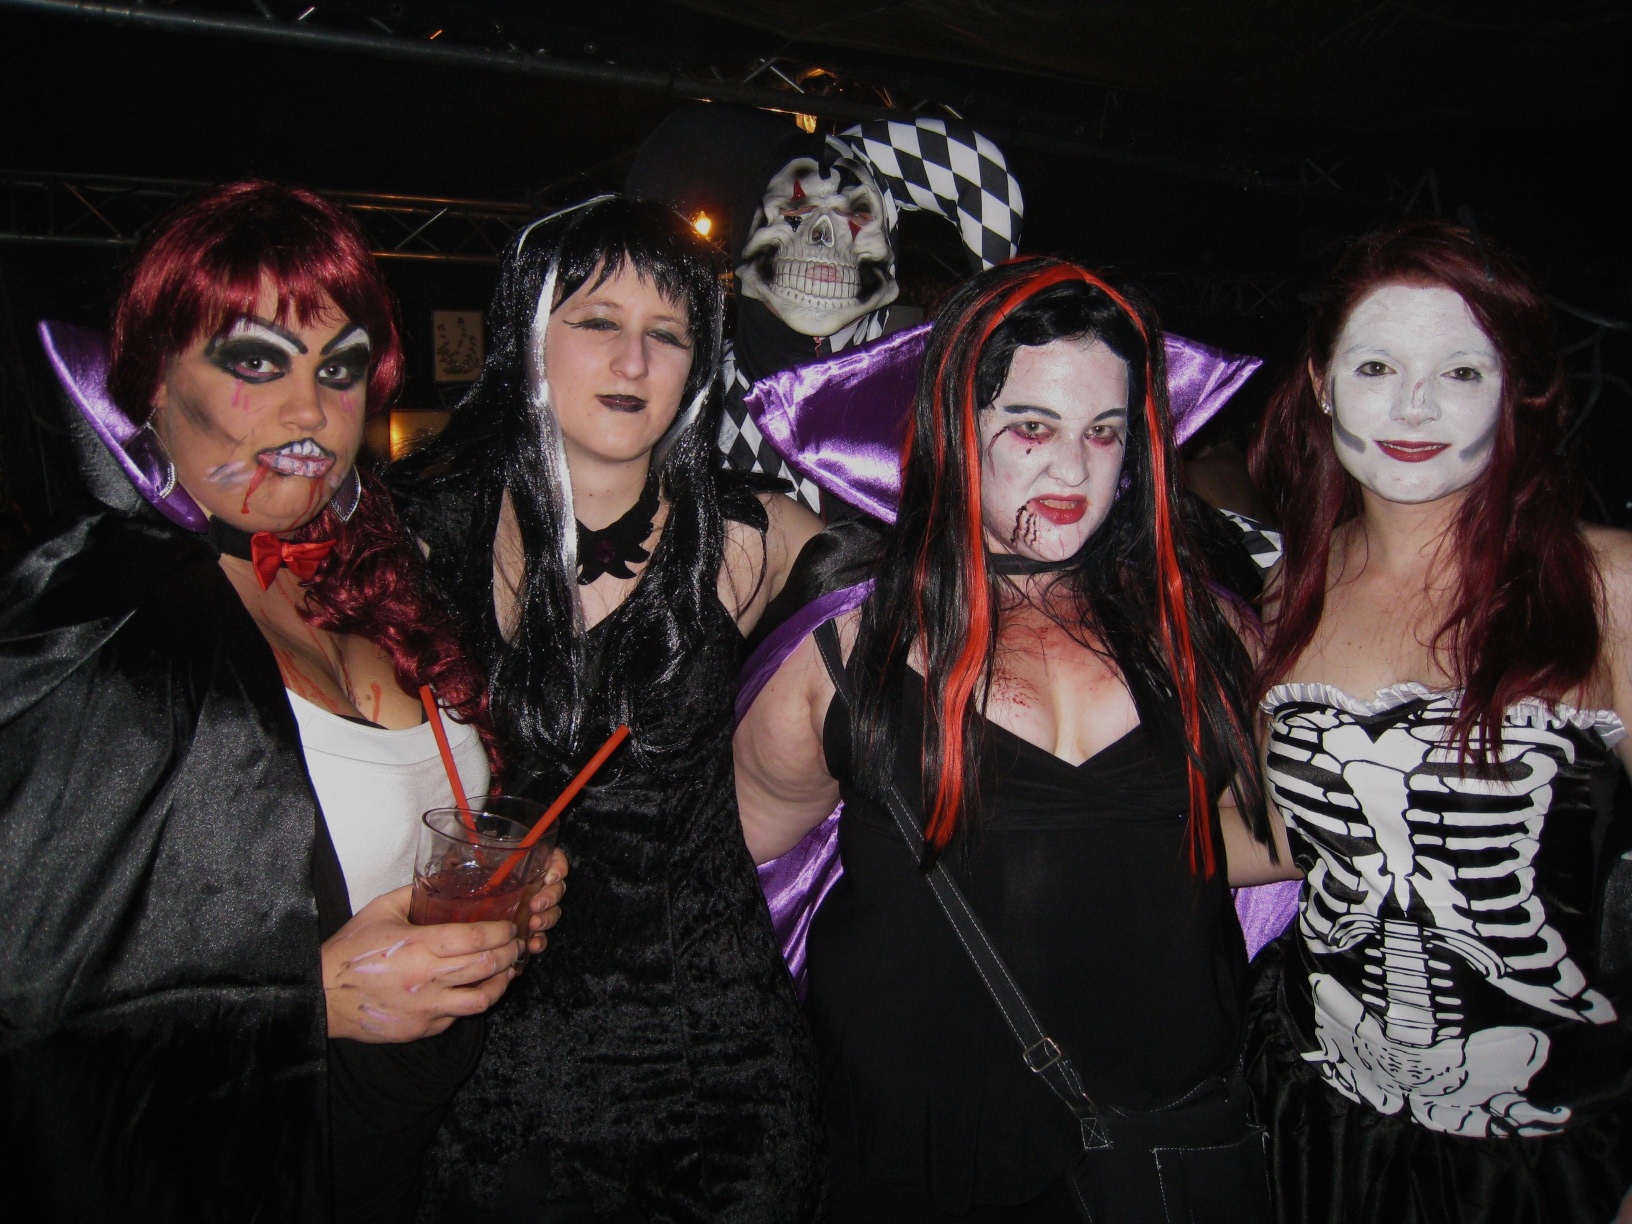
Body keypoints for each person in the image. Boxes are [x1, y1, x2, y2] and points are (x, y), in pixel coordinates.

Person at [0, 180, 565, 1222]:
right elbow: (34, 1010)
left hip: (438, 1153)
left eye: (339, 368)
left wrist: (508, 887)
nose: (311, 411)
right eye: (256, 362)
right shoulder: (93, 622)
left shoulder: (370, 574)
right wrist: (305, 1004)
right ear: (151, 385)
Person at [735, 255, 1280, 1222]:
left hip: (1162, 1151)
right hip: (916, 1161)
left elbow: (1263, 836)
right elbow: (738, 874)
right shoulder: (843, 650)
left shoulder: (1207, 628)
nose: (1073, 470)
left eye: (1103, 431)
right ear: (955, 427)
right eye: (1032, 426)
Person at [390, 194, 826, 1222]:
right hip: (480, 1072)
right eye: (597, 321)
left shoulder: (758, 537)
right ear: (525, 335)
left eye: (668, 334)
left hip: (714, 1076)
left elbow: (931, 634)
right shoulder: (419, 534)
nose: (634, 361)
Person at [1245, 217, 1632, 1223]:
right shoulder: (1288, 589)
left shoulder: (1610, 588)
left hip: (1551, 1152)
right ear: (1322, 383)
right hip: (1324, 1128)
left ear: (1517, 389)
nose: (1414, 405)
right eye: (1377, 366)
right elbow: (1281, 841)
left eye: (1460, 372)